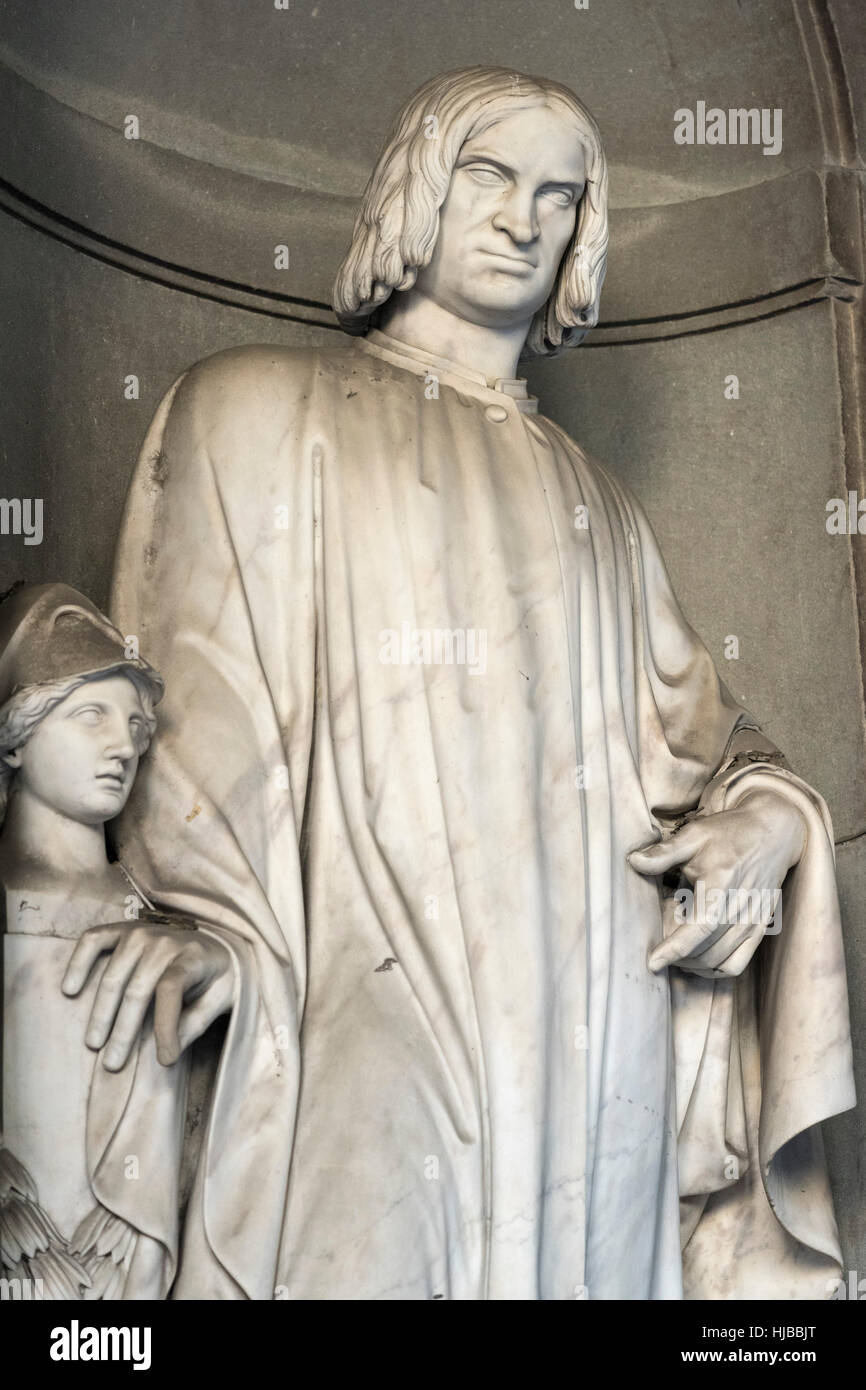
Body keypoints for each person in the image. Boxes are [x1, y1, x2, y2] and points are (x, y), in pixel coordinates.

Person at [105, 67, 854, 1299]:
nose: (523, 218)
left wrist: (768, 825)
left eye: (559, 197)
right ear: (415, 189)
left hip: (597, 1022)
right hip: (350, 981)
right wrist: (213, 938)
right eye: (489, 175)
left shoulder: (596, 505)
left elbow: (707, 743)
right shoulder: (254, 411)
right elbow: (192, 746)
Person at [0, 583, 199, 1297]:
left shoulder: (164, 917)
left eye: (137, 727)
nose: (124, 745)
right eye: (92, 715)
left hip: (129, 1284)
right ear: (15, 735)